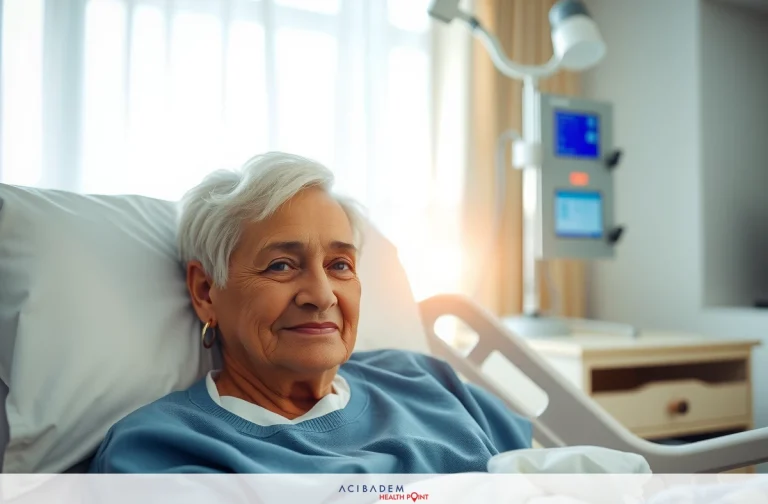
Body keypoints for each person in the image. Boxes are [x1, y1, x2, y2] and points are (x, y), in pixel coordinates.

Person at [90, 152, 531, 473]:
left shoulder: (427, 381)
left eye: (340, 265)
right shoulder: (161, 450)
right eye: (281, 265)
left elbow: (555, 478)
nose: (321, 296)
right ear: (206, 291)